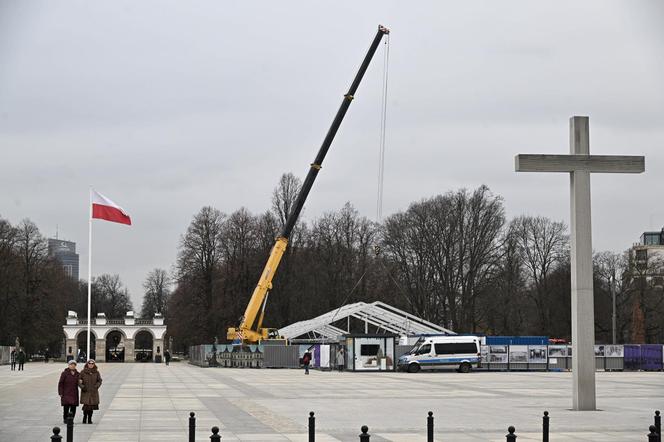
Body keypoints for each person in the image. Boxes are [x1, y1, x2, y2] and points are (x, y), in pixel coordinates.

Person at [79, 359, 102, 424]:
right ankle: (84, 417)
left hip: (93, 391)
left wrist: (96, 386)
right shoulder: (83, 372)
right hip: (85, 391)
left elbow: (99, 380)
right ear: (87, 364)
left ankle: (89, 418)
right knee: (86, 406)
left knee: (91, 406)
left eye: (92, 363)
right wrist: (82, 387)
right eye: (89, 363)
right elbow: (79, 380)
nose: (91, 365)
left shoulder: (96, 372)